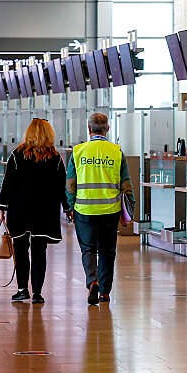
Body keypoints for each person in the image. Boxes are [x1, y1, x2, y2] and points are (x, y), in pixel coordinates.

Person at [0, 118, 68, 304]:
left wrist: (2, 207)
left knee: (20, 249)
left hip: (19, 210)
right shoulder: (55, 158)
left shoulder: (17, 155)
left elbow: (8, 183)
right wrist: (67, 207)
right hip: (45, 212)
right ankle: (37, 292)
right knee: (39, 251)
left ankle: (22, 289)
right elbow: (61, 187)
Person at [66, 113, 133, 306]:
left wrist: (69, 207)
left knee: (88, 249)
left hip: (84, 209)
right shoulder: (116, 152)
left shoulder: (78, 151)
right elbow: (126, 185)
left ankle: (92, 281)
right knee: (107, 251)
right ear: (108, 129)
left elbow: (70, 184)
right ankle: (104, 292)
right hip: (110, 210)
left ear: (89, 129)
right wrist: (129, 213)